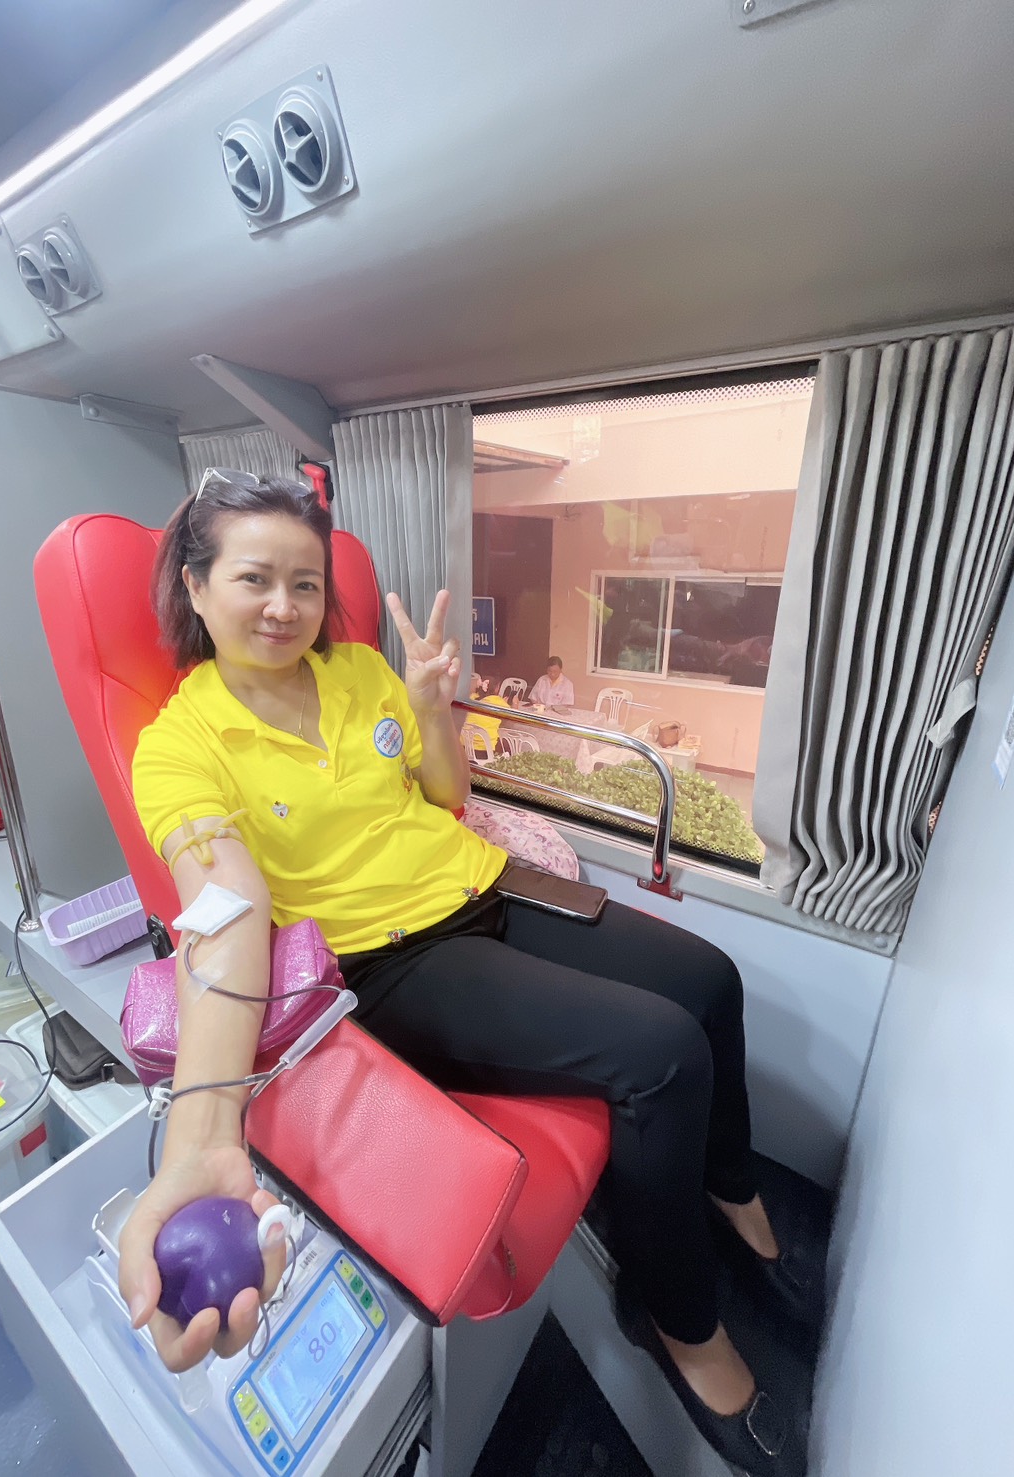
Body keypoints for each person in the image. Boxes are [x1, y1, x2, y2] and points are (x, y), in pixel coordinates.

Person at [121, 471, 812, 1475]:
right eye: (254, 578)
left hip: (482, 884)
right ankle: (679, 1320)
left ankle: (731, 1191)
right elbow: (224, 911)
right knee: (660, 1055)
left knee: (710, 980)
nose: (284, 606)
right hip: (393, 961)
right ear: (194, 585)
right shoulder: (177, 748)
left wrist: (429, 707)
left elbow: (444, 794)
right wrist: (201, 1132)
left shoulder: (358, 672)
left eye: (305, 584)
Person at [465, 670, 510, 755]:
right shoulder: (498, 702)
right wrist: (514, 704)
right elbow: (511, 719)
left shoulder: (472, 697)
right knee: (507, 743)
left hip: (465, 747)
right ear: (497, 688)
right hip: (485, 751)